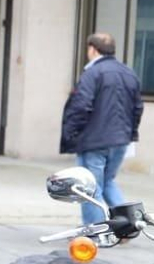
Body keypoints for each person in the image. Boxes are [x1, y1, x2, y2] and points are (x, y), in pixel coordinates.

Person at [60, 32, 143, 226]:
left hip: (94, 140)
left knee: (89, 188)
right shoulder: (128, 73)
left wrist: (72, 134)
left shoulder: (92, 73)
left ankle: (94, 232)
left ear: (92, 49)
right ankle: (128, 225)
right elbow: (138, 107)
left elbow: (81, 106)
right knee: (107, 182)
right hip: (120, 141)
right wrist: (130, 133)